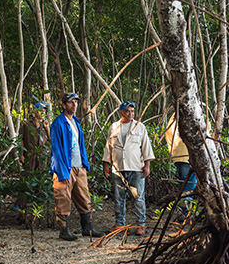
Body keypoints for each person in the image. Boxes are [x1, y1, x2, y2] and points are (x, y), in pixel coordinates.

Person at [50, 93, 104, 241]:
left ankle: (87, 228)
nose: (74, 105)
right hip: (65, 168)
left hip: (79, 166)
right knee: (63, 199)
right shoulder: (58, 123)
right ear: (63, 105)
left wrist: (84, 164)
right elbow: (56, 150)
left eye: (75, 102)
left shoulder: (76, 122)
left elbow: (80, 145)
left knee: (84, 197)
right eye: (70, 102)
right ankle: (64, 231)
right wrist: (62, 172)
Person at [102, 101, 155, 236]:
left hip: (136, 167)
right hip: (118, 167)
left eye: (132, 111)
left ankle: (140, 224)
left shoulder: (139, 127)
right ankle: (120, 223)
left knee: (138, 197)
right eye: (127, 111)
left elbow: (146, 147)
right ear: (121, 112)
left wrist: (147, 165)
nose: (130, 113)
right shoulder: (114, 127)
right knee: (119, 197)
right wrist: (106, 165)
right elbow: (108, 147)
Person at [14, 102, 50, 211]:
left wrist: (47, 128)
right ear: (35, 111)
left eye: (44, 110)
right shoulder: (26, 124)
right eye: (40, 110)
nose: (42, 112)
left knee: (41, 179)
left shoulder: (46, 125)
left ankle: (39, 205)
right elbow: (21, 139)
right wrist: (21, 154)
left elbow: (51, 139)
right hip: (30, 155)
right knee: (26, 178)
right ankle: (20, 203)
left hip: (42, 156)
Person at [165, 113, 197, 202]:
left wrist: (173, 152)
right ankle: (186, 211)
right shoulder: (194, 113)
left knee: (185, 184)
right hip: (188, 155)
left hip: (181, 155)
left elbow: (168, 134)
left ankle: (184, 210)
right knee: (189, 185)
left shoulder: (175, 115)